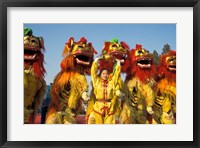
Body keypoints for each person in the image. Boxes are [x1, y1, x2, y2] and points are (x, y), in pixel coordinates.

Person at [87, 57, 122, 124]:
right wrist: (95, 61)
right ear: (100, 75)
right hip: (98, 108)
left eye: (107, 74)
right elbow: (93, 73)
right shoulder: (97, 82)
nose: (105, 75)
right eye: (103, 73)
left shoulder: (111, 83)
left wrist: (118, 63)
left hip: (110, 108)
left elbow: (116, 76)